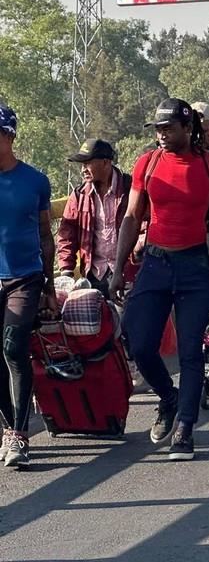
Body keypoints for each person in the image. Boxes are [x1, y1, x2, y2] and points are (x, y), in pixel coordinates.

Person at [111, 99, 209, 462]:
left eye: (168, 129)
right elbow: (132, 217)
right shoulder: (147, 163)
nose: (162, 135)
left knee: (189, 350)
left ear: (189, 129)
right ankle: (168, 399)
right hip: (155, 262)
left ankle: (185, 427)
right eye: (157, 129)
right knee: (138, 341)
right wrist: (120, 268)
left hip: (196, 267)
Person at [0, 104, 57, 469]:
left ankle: (20, 436)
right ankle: (9, 429)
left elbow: (44, 234)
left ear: (8, 136)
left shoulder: (35, 181)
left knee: (12, 346)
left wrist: (49, 284)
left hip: (25, 277)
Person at [56, 139, 130, 293]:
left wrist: (138, 252)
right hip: (94, 274)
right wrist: (67, 271)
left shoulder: (130, 189)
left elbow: (144, 224)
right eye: (82, 165)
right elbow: (66, 235)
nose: (83, 170)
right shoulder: (79, 195)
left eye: (87, 163)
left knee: (128, 316)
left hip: (127, 272)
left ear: (105, 162)